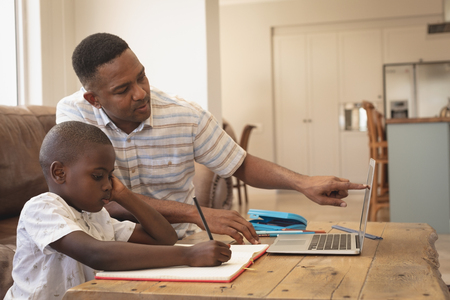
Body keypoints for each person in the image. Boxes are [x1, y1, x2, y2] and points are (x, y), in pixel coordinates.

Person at [56, 32, 367, 245]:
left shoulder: (184, 115)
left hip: (176, 238)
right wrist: (197, 213)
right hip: (106, 238)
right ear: (94, 99)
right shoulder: (74, 115)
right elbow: (99, 197)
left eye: (142, 77)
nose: (141, 93)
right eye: (123, 90)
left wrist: (303, 183)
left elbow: (239, 163)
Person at [4, 121, 231, 300]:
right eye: (97, 176)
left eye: (110, 176)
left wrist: (125, 195)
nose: (107, 185)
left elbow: (165, 238)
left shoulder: (96, 215)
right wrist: (188, 255)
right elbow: (96, 254)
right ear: (59, 173)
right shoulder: (41, 208)